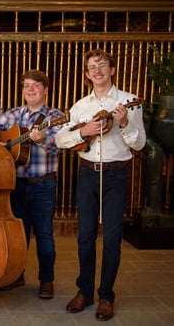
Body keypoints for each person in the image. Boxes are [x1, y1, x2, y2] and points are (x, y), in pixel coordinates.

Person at [55, 49, 146, 321]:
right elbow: (61, 139)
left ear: (112, 70)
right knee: (84, 237)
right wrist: (83, 132)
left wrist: (124, 123)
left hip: (116, 175)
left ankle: (106, 295)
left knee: (112, 239)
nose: (97, 71)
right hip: (87, 175)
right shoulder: (80, 106)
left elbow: (139, 143)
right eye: (92, 67)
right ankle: (84, 291)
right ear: (86, 74)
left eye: (102, 65)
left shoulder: (130, 102)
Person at [0, 70, 63, 300]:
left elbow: (61, 146)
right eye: (26, 86)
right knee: (17, 236)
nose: (30, 90)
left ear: (45, 89)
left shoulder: (56, 116)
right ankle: (16, 275)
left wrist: (44, 140)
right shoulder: (13, 114)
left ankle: (47, 280)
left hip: (43, 185)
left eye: (35, 86)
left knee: (44, 235)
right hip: (14, 185)